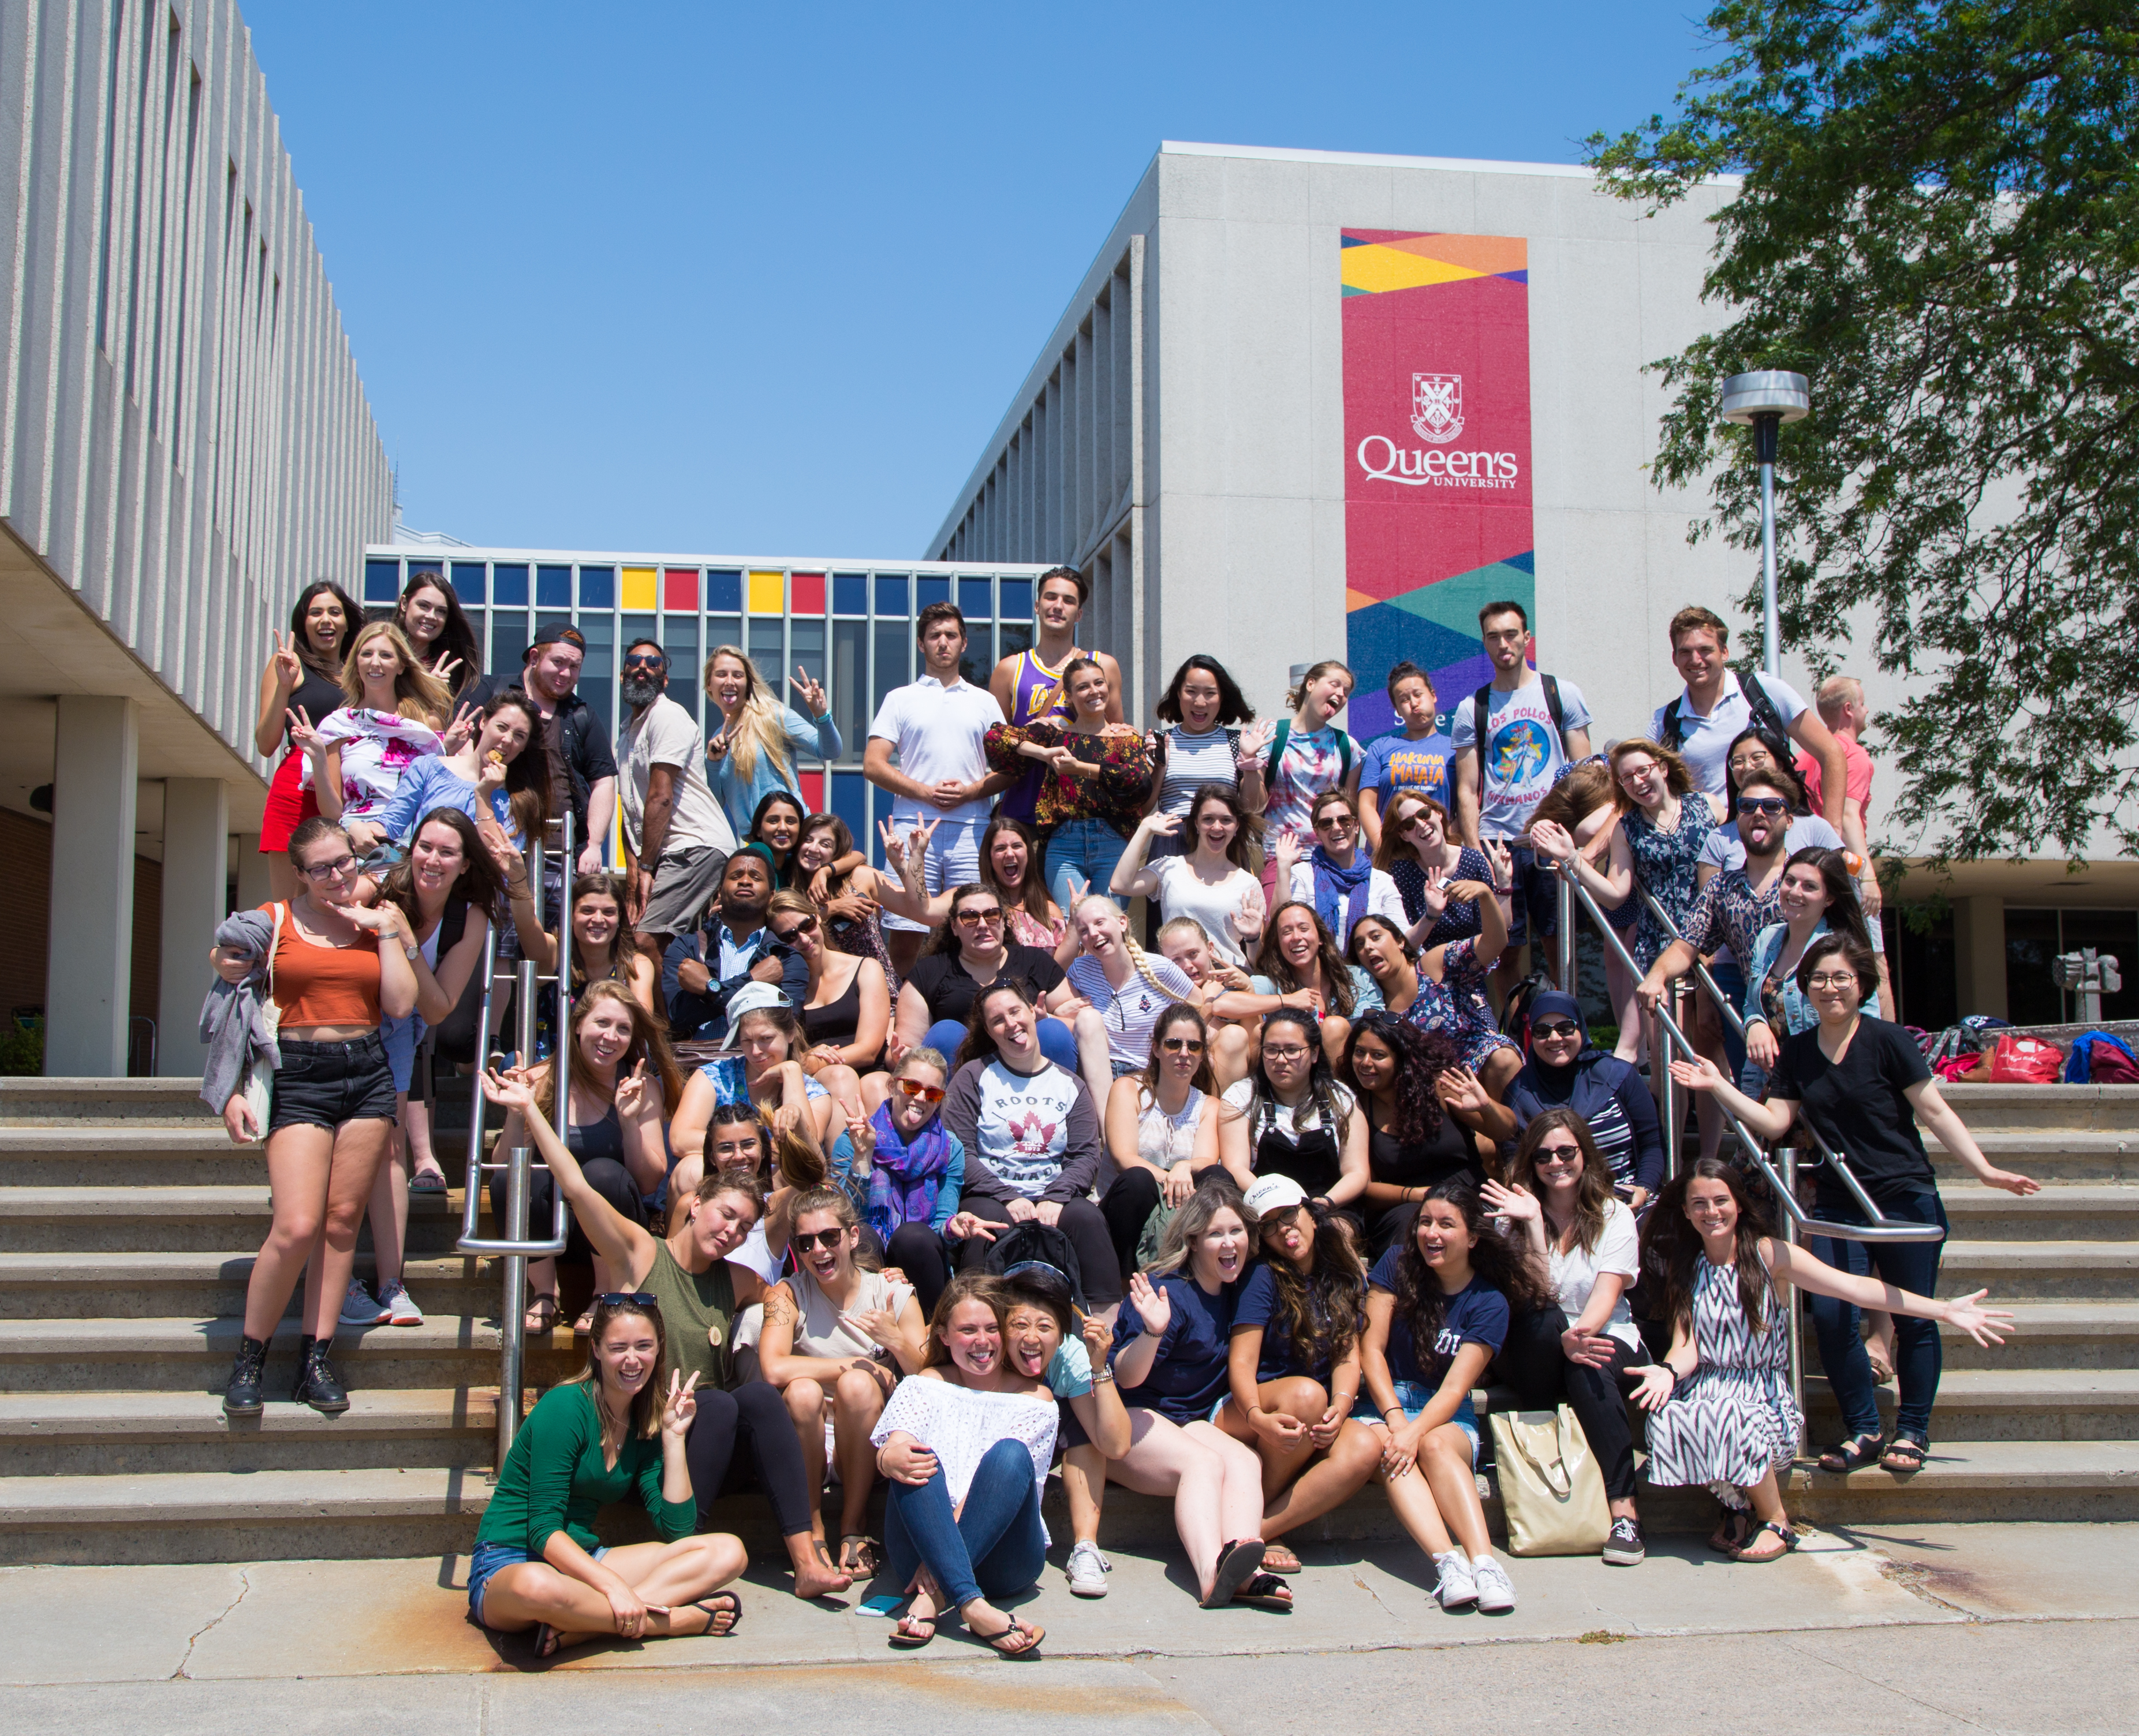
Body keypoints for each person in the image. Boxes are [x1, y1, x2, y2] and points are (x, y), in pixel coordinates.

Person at [1668, 931, 2038, 1479]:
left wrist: (1984, 1170)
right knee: (1834, 1315)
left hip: (1904, 1195)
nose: (1830, 987)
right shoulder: (1797, 1050)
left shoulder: (1889, 1040)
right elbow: (1775, 1120)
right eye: (1818, 978)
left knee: (1914, 1316)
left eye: (1841, 977)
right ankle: (1863, 1428)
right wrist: (1718, 1085)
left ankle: (1912, 1429)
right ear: (1805, 988)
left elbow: (1933, 1111)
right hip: (1839, 1199)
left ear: (1861, 984)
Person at [476, 1073, 857, 1599]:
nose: (732, 1232)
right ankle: (686, 1558)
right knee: (718, 1403)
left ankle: (806, 1562)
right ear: (697, 1203)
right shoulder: (639, 1253)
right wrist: (528, 1110)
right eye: (726, 1214)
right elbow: (578, 1188)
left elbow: (784, 1290)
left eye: (743, 1227)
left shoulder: (737, 1278)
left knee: (755, 1400)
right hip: (648, 1449)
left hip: (707, 1444)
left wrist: (866, 1284)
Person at [1632, 1156, 2016, 1558]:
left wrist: (1943, 1310)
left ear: (1739, 1204)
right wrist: (1667, 1371)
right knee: (1667, 1416)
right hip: (1707, 1389)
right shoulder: (1688, 1266)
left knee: (1728, 1415)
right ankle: (1737, 1505)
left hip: (1762, 1398)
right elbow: (1686, 1346)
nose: (1711, 1211)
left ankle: (1774, 1521)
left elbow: (1854, 1287)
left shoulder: (1769, 1255)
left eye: (1720, 1200)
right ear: (1686, 1211)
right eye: (1699, 1203)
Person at [209, 817, 420, 1417]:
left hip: (367, 1070)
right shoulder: (274, 919)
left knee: (342, 1221)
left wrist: (384, 931)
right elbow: (227, 967)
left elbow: (401, 1003)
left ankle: (315, 1359)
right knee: (298, 1224)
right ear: (300, 873)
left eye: (343, 862)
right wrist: (233, 1090)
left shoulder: (379, 919)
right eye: (321, 867)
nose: (336, 875)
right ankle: (250, 1358)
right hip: (298, 1073)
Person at [465, 1295, 745, 1656]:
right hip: (510, 1561)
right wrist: (612, 1586)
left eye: (644, 1346)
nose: (632, 1359)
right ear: (596, 1350)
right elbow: (543, 1530)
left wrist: (674, 1438)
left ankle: (585, 1628)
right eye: (618, 1348)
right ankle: (668, 1622)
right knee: (537, 1585)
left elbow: (677, 1530)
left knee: (729, 1552)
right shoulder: (565, 1406)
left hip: (584, 1561)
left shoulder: (645, 1420)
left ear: (659, 1348)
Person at [339, 809, 498, 1329]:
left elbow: (436, 1009)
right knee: (352, 1149)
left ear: (465, 863)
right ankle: (341, 1279)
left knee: (390, 1150)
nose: (432, 859)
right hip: (349, 1018)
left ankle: (392, 1282)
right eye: (425, 846)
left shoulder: (469, 918)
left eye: (447, 852)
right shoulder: (379, 885)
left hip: (402, 1026)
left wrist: (404, 939)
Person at [1106, 1186, 1291, 1611]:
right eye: (1215, 1234)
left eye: (1236, 1231)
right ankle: (1211, 1573)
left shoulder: (1236, 1289)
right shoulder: (1166, 1293)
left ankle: (1243, 1567)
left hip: (1186, 1420)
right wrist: (1153, 1331)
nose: (1229, 1243)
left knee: (1244, 1460)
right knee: (1203, 1463)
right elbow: (1126, 1377)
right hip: (1126, 1417)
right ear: (1192, 1241)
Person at [1357, 1179, 1538, 1612]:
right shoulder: (1396, 1264)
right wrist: (1397, 1420)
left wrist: (1415, 1430)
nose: (1431, 1233)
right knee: (1391, 1450)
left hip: (1446, 1410)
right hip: (1386, 1401)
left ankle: (1486, 1565)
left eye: (1446, 1224)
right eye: (1425, 1222)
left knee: (1435, 1446)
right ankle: (1448, 1563)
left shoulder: (1489, 1302)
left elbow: (1456, 1388)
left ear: (1472, 1237)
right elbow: (1370, 1350)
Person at [1480, 1112, 1653, 1567]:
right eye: (1543, 1155)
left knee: (1586, 1364)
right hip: (1537, 1347)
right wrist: (1534, 1225)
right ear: (1530, 1162)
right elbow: (1534, 1294)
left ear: (1584, 1153)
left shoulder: (1614, 1214)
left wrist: (1579, 1336)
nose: (1555, 1162)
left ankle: (1624, 1514)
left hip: (1603, 1333)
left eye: (1565, 1151)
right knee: (1542, 1320)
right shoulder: (1513, 1216)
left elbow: (1606, 1295)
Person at [871, 1275, 1054, 1653]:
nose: (982, 1341)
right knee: (913, 1456)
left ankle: (937, 1597)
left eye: (991, 1328)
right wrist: (888, 1457)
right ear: (943, 1335)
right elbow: (896, 1443)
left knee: (1010, 1455)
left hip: (1005, 1559)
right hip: (920, 1549)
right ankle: (974, 1607)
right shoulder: (923, 1384)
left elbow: (996, 1491)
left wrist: (942, 1558)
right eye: (968, 1330)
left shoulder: (1037, 1400)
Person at [1637, 768, 1811, 1154]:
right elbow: (1687, 944)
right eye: (1747, 806)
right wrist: (1657, 975)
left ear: (1789, 818)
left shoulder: (1806, 880)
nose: (1758, 813)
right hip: (1759, 1027)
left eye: (1771, 806)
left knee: (1823, 1135)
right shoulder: (1722, 887)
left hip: (1813, 1022)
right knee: (1762, 1138)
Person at [759, 1186, 928, 1577]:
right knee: (804, 1390)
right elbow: (773, 1369)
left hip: (868, 1436)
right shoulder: (787, 1294)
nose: (818, 1250)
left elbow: (926, 1374)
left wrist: (896, 1342)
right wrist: (853, 1363)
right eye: (805, 1242)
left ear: (852, 1236)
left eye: (829, 1237)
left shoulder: (892, 1292)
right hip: (810, 1435)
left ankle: (854, 1525)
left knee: (857, 1386)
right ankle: (812, 1526)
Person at [493, 981, 681, 1332]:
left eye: (623, 1029)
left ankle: (604, 1293)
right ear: (579, 1024)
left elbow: (647, 1182)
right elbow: (504, 1165)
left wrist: (628, 1122)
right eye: (602, 1023)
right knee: (513, 1178)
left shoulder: (641, 1086)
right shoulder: (541, 1078)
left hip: (614, 1231)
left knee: (602, 1173)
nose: (611, 1036)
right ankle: (545, 1292)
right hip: (552, 1228)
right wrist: (518, 1114)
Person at [1221, 1174, 1382, 1570]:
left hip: (1313, 1410)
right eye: (1268, 1225)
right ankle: (1246, 1522)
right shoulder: (1263, 1275)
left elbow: (1347, 1355)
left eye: (1289, 1214)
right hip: (1255, 1405)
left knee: (1365, 1445)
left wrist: (1341, 1407)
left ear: (1310, 1213)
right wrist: (1256, 1417)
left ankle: (1256, 1529)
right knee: (1308, 1395)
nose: (1283, 1229)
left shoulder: (1340, 1271)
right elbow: (1241, 1363)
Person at [938, 980, 1123, 1310]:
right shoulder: (973, 1077)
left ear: (1033, 1012)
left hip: (1055, 1195)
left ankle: (1105, 1324)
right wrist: (1006, 1196)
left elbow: (1084, 1155)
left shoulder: (1070, 1084)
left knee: (1087, 1218)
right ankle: (974, 1314)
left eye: (1015, 1012)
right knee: (987, 1222)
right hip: (991, 1195)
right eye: (998, 1020)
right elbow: (959, 1150)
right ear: (990, 1032)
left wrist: (1057, 1196)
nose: (1011, 1024)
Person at [1447, 600, 1593, 998]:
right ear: (1485, 643)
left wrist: (1576, 838)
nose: (1503, 644)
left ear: (1527, 638)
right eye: (1493, 636)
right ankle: (1513, 1027)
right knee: (1503, 950)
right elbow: (1467, 788)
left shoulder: (1560, 693)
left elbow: (1584, 775)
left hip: (1550, 840)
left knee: (1559, 945)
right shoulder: (1472, 707)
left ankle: (1566, 1022)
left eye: (1511, 634)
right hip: (1498, 843)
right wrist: (1475, 850)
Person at [866, 602, 1010, 976]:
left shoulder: (985, 701)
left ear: (964, 643)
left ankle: (968, 1005)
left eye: (950, 635)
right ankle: (900, 1008)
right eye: (934, 636)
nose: (942, 642)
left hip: (972, 829)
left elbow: (1010, 770)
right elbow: (873, 764)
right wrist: (925, 792)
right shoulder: (900, 698)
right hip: (912, 828)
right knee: (905, 934)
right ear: (921, 643)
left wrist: (970, 792)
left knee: (975, 927)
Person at [998, 1264, 1132, 1600]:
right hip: (996, 1456)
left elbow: (1116, 1445)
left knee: (1081, 1420)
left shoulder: (1070, 1354)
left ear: (1061, 1334)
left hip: (1049, 1445)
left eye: (1045, 1326)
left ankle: (1086, 1548)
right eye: (1020, 1325)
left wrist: (1099, 1367)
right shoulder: (986, 1350)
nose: (1032, 1338)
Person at [1650, 604, 1846, 833]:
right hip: (1714, 845)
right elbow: (1639, 784)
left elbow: (1831, 752)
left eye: (1705, 650)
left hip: (1779, 835)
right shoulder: (1664, 721)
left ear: (1724, 652)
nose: (1695, 659)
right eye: (1685, 652)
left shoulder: (1763, 692)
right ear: (1674, 658)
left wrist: (1832, 830)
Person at [983, 654, 1155, 912]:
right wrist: (1042, 752)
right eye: (1083, 687)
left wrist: (1080, 768)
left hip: (1112, 841)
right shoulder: (1055, 734)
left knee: (1110, 923)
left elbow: (1138, 783)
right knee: (1070, 922)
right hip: (1065, 845)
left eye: (1099, 683)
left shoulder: (1126, 737)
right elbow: (996, 738)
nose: (1094, 691)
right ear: (1069, 697)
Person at [617, 639, 738, 958]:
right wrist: (633, 872)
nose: (643, 667)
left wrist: (645, 867)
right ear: (622, 675)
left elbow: (661, 798)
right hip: (668, 851)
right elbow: (630, 812)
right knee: (638, 938)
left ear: (665, 680)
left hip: (695, 844)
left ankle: (670, 997)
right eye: (635, 661)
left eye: (653, 663)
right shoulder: (625, 737)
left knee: (646, 939)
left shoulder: (667, 715)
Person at [462, 623, 615, 877]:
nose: (565, 673)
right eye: (558, 662)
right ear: (534, 658)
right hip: (492, 842)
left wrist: (595, 844)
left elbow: (604, 781)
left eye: (574, 667)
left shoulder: (582, 715)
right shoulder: (492, 691)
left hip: (558, 852)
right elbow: (461, 744)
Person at [886, 882, 1082, 1077]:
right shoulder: (929, 972)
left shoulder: (1035, 962)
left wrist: (1044, 1018)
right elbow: (904, 1048)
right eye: (969, 917)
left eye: (992, 915)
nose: (982, 924)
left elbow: (1082, 1025)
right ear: (954, 927)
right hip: (960, 1085)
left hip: (1032, 1076)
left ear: (1003, 922)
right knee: (946, 1033)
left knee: (1052, 1031)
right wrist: (899, 1057)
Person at [1098, 1003, 1234, 1282]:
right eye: (1174, 1044)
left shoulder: (1208, 1106)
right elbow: (1124, 1158)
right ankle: (1125, 1286)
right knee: (1138, 1180)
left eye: (1194, 1046)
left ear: (1202, 1055)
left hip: (1179, 1210)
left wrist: (1185, 1166)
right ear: (1157, 1049)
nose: (1184, 1053)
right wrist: (1170, 1177)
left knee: (1217, 1177)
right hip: (1128, 1208)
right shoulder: (1129, 1089)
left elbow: (1207, 1161)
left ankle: (1202, 1279)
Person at [988, 565, 1126, 824]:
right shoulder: (1010, 669)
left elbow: (1118, 742)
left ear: (1079, 614)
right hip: (1025, 810)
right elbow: (997, 746)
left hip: (1086, 813)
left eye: (1069, 600)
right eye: (1051, 597)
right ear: (1037, 605)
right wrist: (1031, 734)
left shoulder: (1103, 666)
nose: (1058, 606)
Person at [1342, 1013, 1487, 1257]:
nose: (1366, 1062)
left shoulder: (1441, 1087)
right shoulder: (1356, 1106)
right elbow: (1365, 1188)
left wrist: (1487, 1107)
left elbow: (1505, 1131)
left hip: (1465, 1192)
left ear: (1402, 1059)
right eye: (1359, 1052)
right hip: (1404, 1205)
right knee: (1412, 1228)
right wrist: (1414, 1194)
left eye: (1378, 1055)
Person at [1503, 991, 1664, 1208]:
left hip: (1627, 1203)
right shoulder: (1518, 1094)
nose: (1554, 1038)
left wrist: (1644, 1188)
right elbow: (1516, 1165)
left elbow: (1652, 1142)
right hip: (1554, 1210)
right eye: (1542, 1031)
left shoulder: (1618, 1075)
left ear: (1580, 1028)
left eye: (1565, 1028)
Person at [304, 622, 450, 858]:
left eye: (385, 655)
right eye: (367, 654)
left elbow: (438, 794)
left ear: (402, 665)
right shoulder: (338, 726)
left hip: (416, 844)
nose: (375, 662)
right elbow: (332, 813)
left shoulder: (426, 723)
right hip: (358, 842)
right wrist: (318, 759)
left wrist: (451, 748)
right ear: (356, 663)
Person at [255, 582, 360, 899]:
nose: (326, 620)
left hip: (349, 794)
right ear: (304, 623)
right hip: (297, 793)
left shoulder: (361, 672)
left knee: (343, 904)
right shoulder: (289, 665)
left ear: (347, 622)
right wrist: (283, 685)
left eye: (334, 612)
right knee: (291, 907)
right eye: (316, 613)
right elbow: (265, 744)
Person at [1742, 847, 1883, 1084]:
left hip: (1824, 1083)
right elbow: (1752, 1004)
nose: (1795, 892)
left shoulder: (1841, 950)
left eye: (1809, 886)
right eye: (1790, 881)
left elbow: (1867, 1023)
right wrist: (1755, 1023)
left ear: (1829, 898)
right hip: (1768, 1083)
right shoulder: (1767, 939)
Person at [1348, 900, 1520, 1095]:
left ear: (1400, 941)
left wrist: (1485, 895)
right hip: (1431, 1089)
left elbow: (1495, 942)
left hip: (1481, 1063)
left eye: (1376, 937)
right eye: (1360, 944)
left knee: (1503, 1058)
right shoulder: (1374, 1005)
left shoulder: (1432, 965)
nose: (1368, 947)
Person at [670, 987, 846, 1167]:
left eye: (766, 1038)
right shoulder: (714, 1077)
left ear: (790, 1034)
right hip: (726, 1177)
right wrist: (748, 1148)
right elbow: (680, 1139)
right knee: (690, 1167)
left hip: (780, 1182)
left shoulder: (815, 1094)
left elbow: (803, 1149)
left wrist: (792, 1073)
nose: (756, 1051)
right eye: (747, 1041)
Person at [1218, 1007, 1368, 1218]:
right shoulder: (1241, 1097)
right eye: (1271, 1050)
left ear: (1314, 1053)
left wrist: (1323, 1204)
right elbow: (1236, 1167)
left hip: (1330, 1208)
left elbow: (1357, 1172)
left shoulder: (1341, 1098)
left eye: (1292, 1050)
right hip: (1265, 1210)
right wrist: (1281, 1204)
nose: (1280, 1059)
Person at [496, 867, 663, 1047]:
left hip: (610, 1058)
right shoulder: (555, 953)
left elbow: (642, 1024)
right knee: (511, 1060)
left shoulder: (636, 965)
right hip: (554, 1062)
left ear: (619, 917)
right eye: (587, 911)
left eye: (608, 912)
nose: (598, 919)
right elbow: (526, 923)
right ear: (571, 915)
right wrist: (517, 876)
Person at [373, 687, 551, 854]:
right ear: (484, 722)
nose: (507, 739)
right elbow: (390, 826)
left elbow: (502, 860)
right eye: (501, 727)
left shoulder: (521, 800)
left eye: (519, 736)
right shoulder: (427, 768)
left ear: (524, 746)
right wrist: (363, 829)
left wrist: (484, 796)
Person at [662, 846, 809, 1044]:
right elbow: (678, 1017)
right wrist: (753, 980)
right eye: (736, 876)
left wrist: (710, 989)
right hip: (693, 1060)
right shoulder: (686, 947)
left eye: (756, 877)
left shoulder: (786, 958)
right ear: (720, 892)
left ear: (771, 896)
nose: (745, 881)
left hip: (756, 1060)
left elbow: (781, 1023)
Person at [1062, 894, 1199, 1106]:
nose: (1093, 933)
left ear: (1122, 923)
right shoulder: (1081, 970)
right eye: (1084, 931)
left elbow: (1200, 1008)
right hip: (1101, 1075)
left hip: (1150, 1073)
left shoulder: (1160, 968)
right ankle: (1106, 1125)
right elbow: (1055, 999)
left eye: (1100, 922)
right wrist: (1061, 1010)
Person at [1113, 782, 1267, 969]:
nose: (1217, 827)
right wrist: (1144, 830)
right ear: (1196, 823)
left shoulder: (1248, 883)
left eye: (1226, 820)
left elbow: (1260, 962)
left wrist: (1253, 938)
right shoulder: (1169, 867)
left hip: (1228, 977)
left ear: (1237, 826)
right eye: (1208, 819)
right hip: (1179, 976)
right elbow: (1121, 885)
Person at [861, 1048, 967, 1319]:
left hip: (920, 1260)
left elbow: (940, 1228)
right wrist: (863, 1156)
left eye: (933, 1094)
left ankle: (931, 1330)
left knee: (913, 1237)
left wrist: (952, 1228)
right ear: (892, 1086)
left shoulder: (950, 1148)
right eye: (912, 1086)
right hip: (871, 1258)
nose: (920, 1098)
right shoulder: (857, 1139)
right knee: (862, 1235)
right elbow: (846, 1217)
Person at [891, 811, 1076, 962]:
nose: (1009, 854)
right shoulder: (969, 902)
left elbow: (1061, 969)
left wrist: (1077, 922)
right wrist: (915, 856)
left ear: (1028, 854)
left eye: (1017, 846)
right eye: (1000, 848)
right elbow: (923, 910)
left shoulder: (1048, 911)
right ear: (989, 858)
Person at [1250, 659, 1364, 899]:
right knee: (1280, 922)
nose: (1341, 694)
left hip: (1333, 860)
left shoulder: (1348, 747)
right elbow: (1252, 805)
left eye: (1346, 692)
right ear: (1310, 684)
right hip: (1282, 857)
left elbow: (1352, 812)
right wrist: (1249, 763)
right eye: (1335, 685)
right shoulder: (1271, 737)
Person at [701, 644, 841, 838]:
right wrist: (712, 762)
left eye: (738, 675)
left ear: (748, 683)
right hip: (758, 843)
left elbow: (830, 751)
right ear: (709, 684)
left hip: (794, 837)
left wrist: (822, 716)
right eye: (721, 674)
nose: (730, 682)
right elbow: (714, 803)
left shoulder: (773, 716)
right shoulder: (718, 742)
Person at [768, 888, 886, 1114]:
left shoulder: (866, 968)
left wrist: (813, 1061)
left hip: (867, 1071)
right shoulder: (783, 987)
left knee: (873, 1085)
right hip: (818, 1080)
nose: (804, 938)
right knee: (840, 1076)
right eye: (790, 937)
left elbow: (869, 1050)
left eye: (807, 925)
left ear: (818, 917)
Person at [1145, 655, 1266, 857]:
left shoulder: (1239, 742)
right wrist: (1159, 768)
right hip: (1172, 841)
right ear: (1179, 694)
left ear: (1222, 697)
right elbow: (1143, 808)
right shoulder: (1159, 741)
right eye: (1191, 691)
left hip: (1223, 842)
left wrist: (1250, 762)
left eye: (1210, 693)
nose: (1200, 702)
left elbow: (1254, 809)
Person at [793, 811, 919, 993]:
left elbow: (916, 906)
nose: (813, 848)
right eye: (808, 840)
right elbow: (788, 929)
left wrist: (901, 863)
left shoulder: (859, 878)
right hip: (825, 997)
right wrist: (834, 908)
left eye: (825, 844)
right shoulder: (791, 889)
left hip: (879, 991)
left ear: (837, 851)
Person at [1249, 902, 1379, 1072]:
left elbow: (1381, 1029)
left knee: (1335, 1026)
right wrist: (1287, 1000)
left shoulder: (1358, 977)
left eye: (1304, 929)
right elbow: (1224, 1004)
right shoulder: (1271, 984)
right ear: (1278, 944)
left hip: (1353, 1073)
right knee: (1257, 1031)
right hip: (1292, 1075)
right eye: (1287, 932)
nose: (1296, 937)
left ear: (1321, 938)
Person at [1274, 790, 1406, 954]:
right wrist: (1283, 868)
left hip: (1369, 966)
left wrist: (1430, 917)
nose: (1336, 827)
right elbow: (1282, 924)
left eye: (1344, 820)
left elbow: (1402, 937)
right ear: (1317, 833)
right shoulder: (1302, 874)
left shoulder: (1382, 880)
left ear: (1356, 826)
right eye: (1326, 823)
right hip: (1319, 965)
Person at [1797, 674, 1882, 914]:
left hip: (1807, 864)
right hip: (1841, 866)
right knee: (1867, 938)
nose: (1867, 710)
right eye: (1862, 704)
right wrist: (1867, 877)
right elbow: (1847, 816)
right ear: (1849, 709)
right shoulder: (1854, 755)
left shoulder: (1805, 755)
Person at [1373, 790, 1495, 951]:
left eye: (1424, 814)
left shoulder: (1474, 861)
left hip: (1472, 958)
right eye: (1409, 824)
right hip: (1423, 962)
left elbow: (1495, 934)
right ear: (1404, 836)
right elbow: (1403, 946)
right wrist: (1431, 915)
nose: (1420, 824)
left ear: (1438, 813)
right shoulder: (1401, 873)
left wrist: (1505, 885)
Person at [1358, 661, 1455, 852]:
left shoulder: (1455, 750)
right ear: (1397, 709)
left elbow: (1463, 808)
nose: (1414, 703)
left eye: (1418, 695)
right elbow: (1366, 805)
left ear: (1433, 695)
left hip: (1437, 855)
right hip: (1390, 854)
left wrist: (1446, 849)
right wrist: (1384, 851)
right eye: (1404, 700)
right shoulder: (1380, 748)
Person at [1153, 917, 1258, 1088]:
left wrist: (1248, 989)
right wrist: (1208, 1004)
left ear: (1210, 948)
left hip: (1242, 1078)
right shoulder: (1163, 993)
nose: (1187, 965)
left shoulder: (1237, 976)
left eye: (1193, 954)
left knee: (1234, 1035)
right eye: (1176, 960)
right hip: (1184, 1078)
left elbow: (1255, 1047)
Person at [391, 569, 484, 700]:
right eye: (424, 606)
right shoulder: (380, 655)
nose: (432, 616)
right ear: (404, 604)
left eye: (441, 611)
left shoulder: (452, 673)